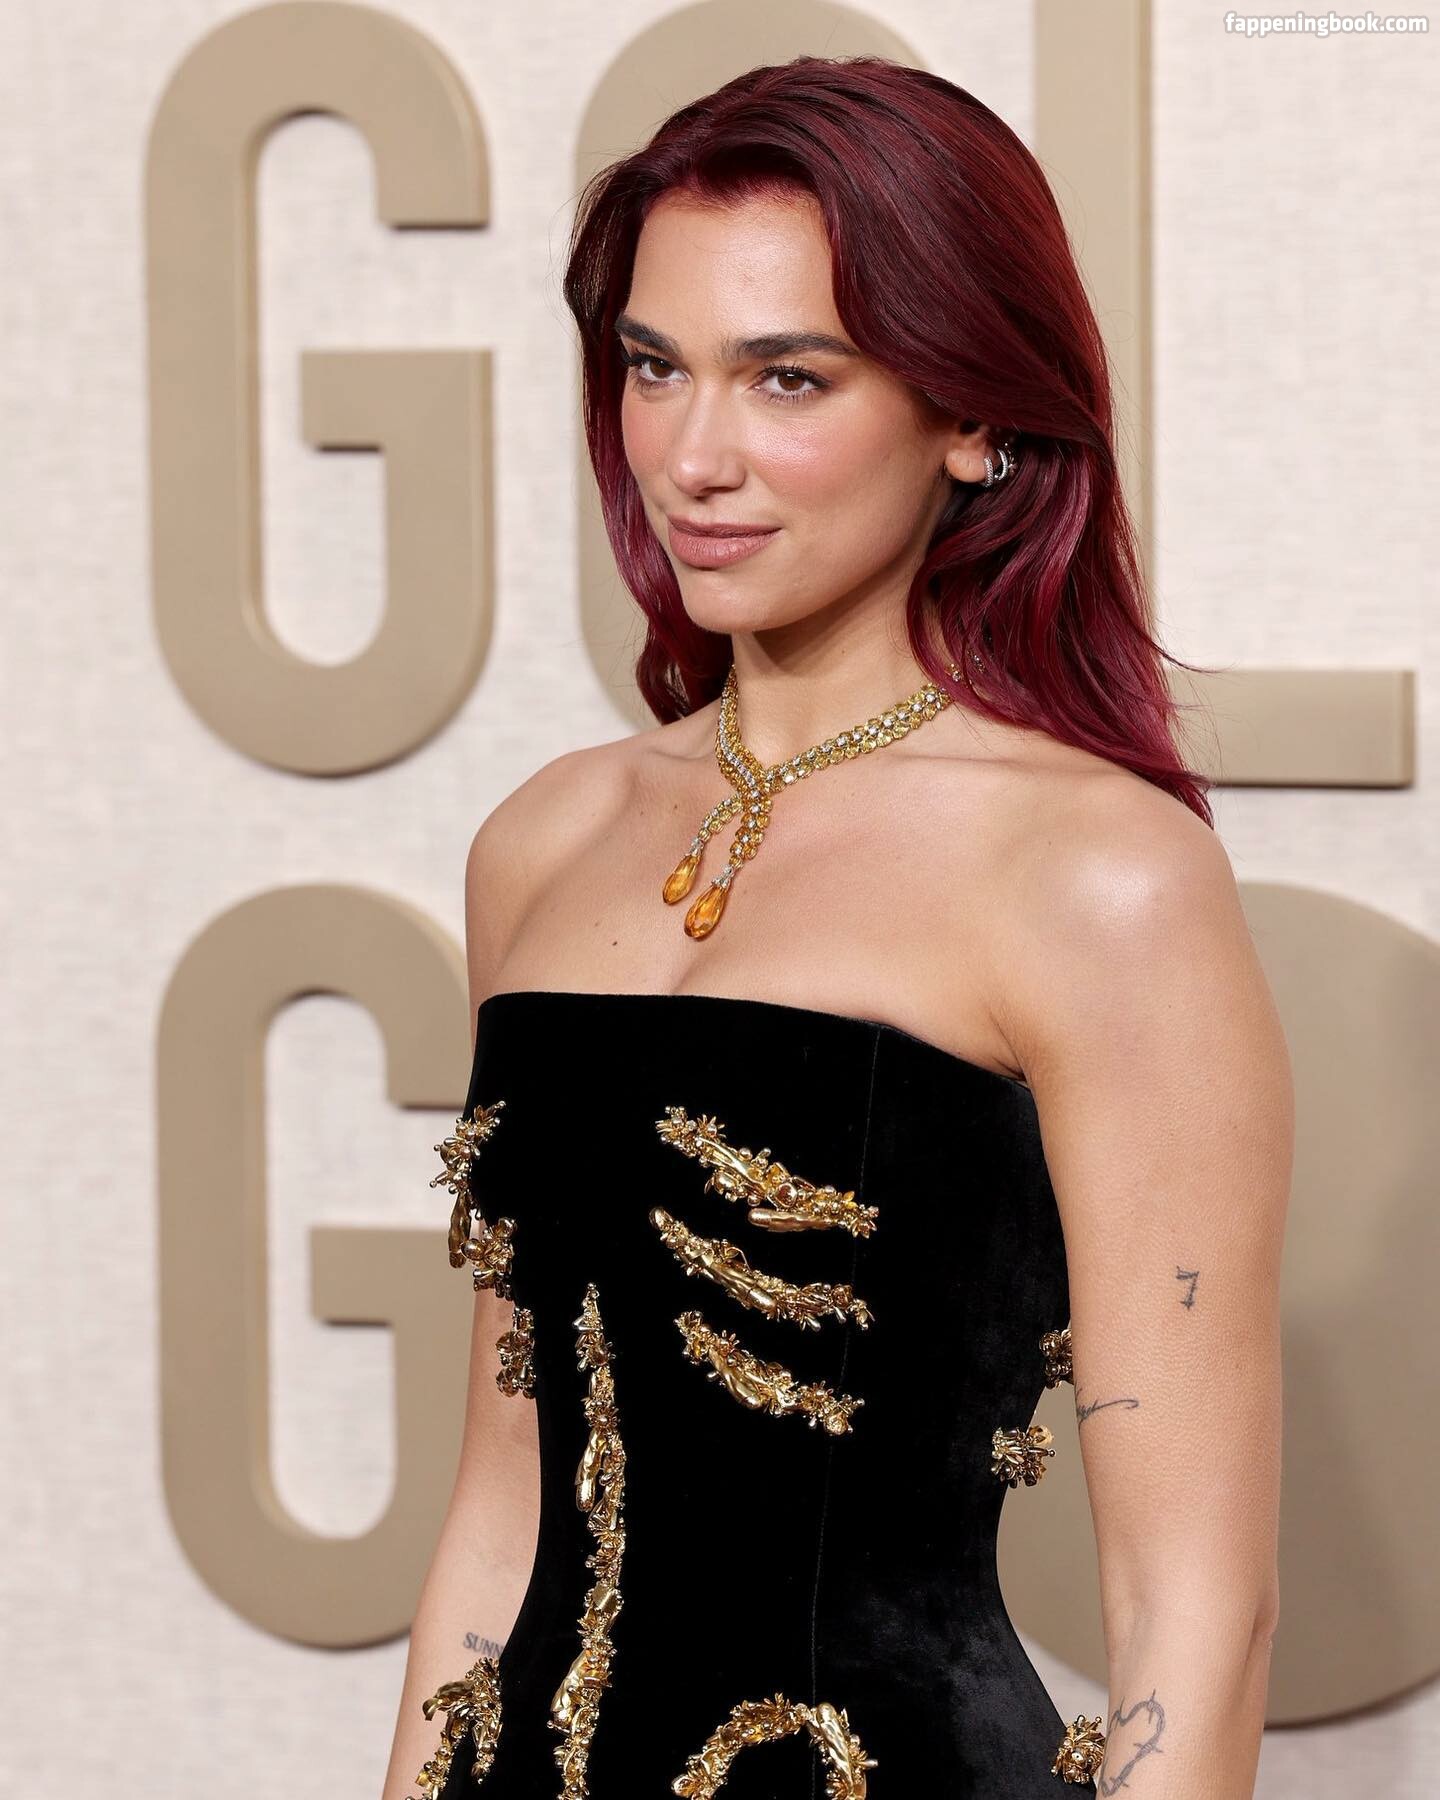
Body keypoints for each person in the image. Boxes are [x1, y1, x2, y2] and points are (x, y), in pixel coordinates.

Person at [381, 54, 1291, 1800]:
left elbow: (1195, 1609)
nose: (693, 456)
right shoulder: (545, 843)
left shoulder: (1099, 876)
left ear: (976, 418)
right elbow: (500, 1513)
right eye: (655, 367)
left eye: (787, 377)